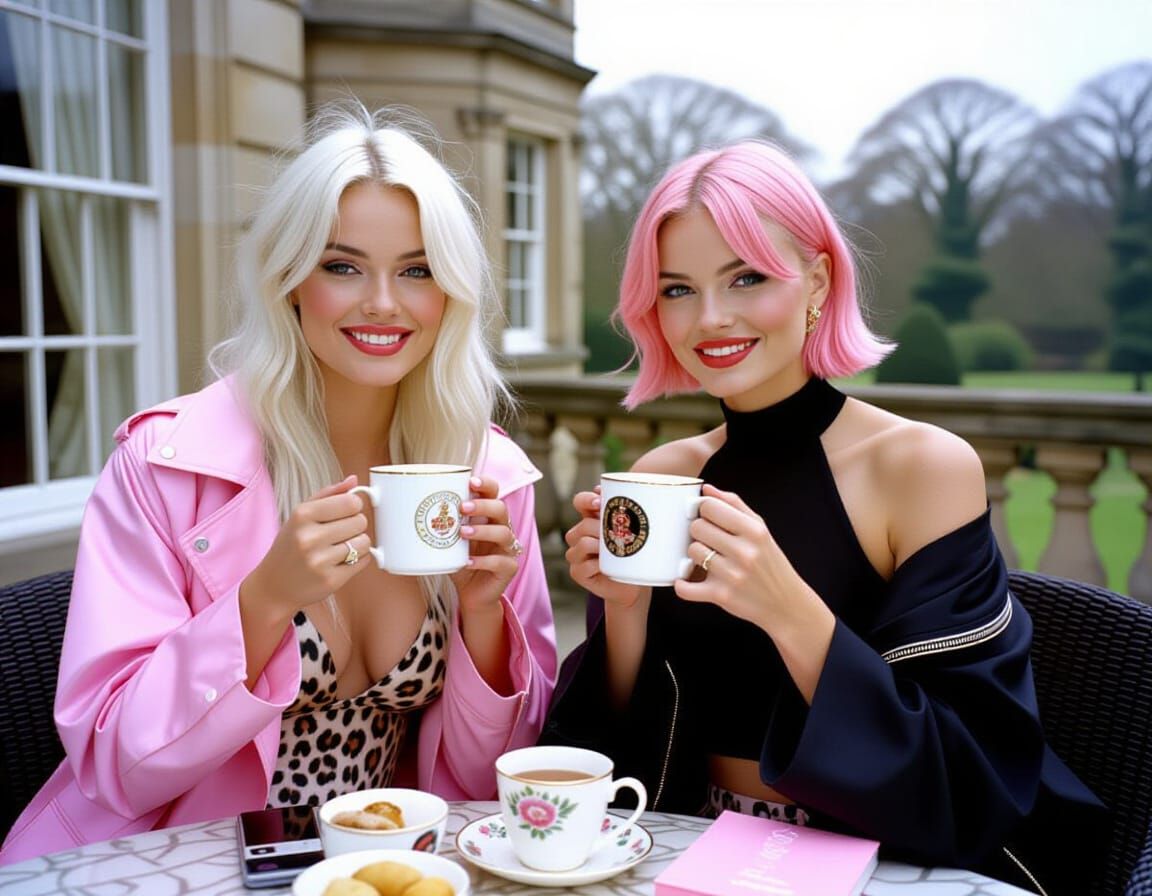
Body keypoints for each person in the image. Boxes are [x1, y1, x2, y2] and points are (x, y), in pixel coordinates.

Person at [540, 141, 1102, 894]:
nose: (711, 318)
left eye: (747, 278)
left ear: (817, 280)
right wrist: (626, 614)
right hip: (694, 849)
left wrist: (789, 609)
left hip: (893, 861)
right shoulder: (663, 477)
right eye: (678, 290)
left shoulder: (921, 470)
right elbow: (617, 759)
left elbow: (968, 773)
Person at [1, 103, 556, 863]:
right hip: (170, 867)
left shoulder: (489, 478)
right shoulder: (163, 465)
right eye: (342, 265)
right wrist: (263, 601)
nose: (384, 303)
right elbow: (111, 764)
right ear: (290, 279)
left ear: (450, 291)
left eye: (418, 270)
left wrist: (484, 619)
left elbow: (490, 786)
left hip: (380, 869)